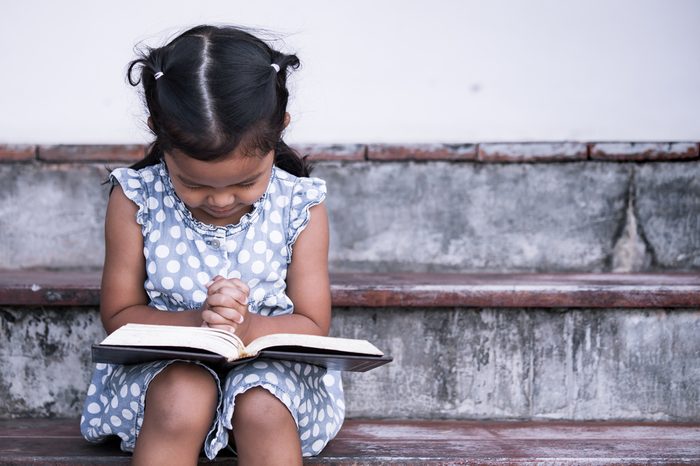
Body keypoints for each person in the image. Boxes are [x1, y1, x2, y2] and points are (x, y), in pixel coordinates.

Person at [80, 24, 344, 466]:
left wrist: (247, 329)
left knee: (262, 405)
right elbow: (119, 318)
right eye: (194, 184)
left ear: (280, 128)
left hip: (274, 377)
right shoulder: (135, 198)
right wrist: (201, 323)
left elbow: (313, 324)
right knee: (183, 393)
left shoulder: (300, 205)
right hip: (163, 370)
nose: (221, 201)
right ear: (159, 136)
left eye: (246, 182)